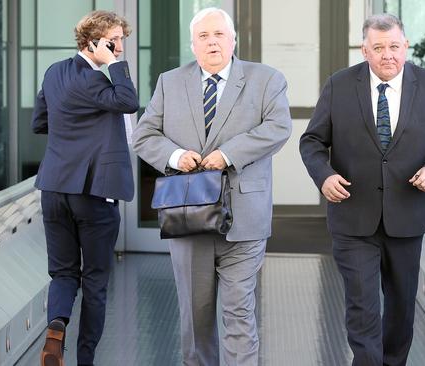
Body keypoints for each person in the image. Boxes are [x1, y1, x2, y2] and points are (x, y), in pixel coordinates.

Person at [299, 14, 425, 366]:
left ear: (405, 46)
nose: (387, 55)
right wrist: (324, 176)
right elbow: (312, 141)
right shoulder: (339, 85)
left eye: (394, 46)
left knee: (401, 307)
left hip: (408, 215)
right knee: (362, 307)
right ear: (365, 50)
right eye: (378, 48)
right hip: (352, 215)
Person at [132, 7, 291, 366]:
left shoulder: (266, 79)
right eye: (203, 36)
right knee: (195, 318)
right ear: (193, 45)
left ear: (233, 40)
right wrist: (174, 156)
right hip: (188, 218)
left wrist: (229, 154)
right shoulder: (169, 82)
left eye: (219, 34)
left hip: (244, 220)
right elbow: (144, 135)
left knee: (239, 314)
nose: (212, 42)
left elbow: (278, 128)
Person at [32, 10, 138, 366]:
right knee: (94, 281)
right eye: (114, 41)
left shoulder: (52, 73)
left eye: (121, 41)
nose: (119, 48)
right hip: (93, 192)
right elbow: (128, 102)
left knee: (62, 272)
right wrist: (113, 66)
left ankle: (56, 327)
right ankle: (85, 360)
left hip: (54, 189)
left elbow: (40, 122)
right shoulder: (97, 80)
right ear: (92, 41)